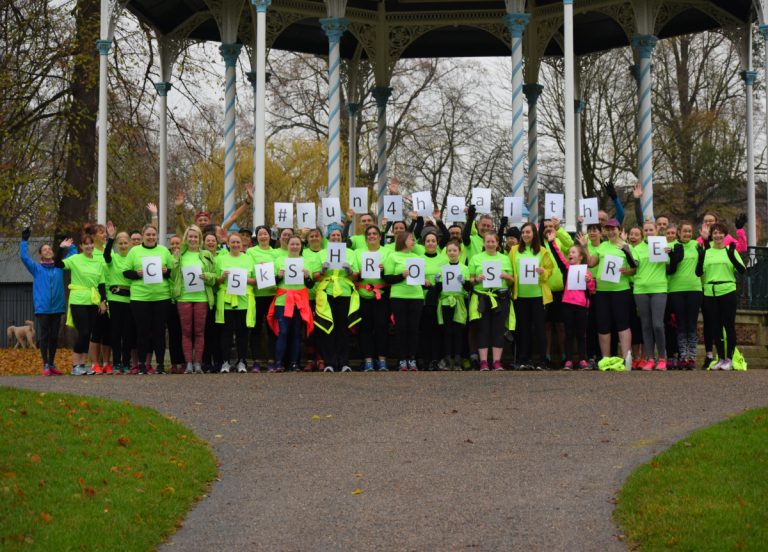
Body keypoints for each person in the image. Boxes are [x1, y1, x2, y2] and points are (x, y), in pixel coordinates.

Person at [19, 227, 75, 376]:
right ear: (40, 255)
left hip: (57, 308)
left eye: (50, 249)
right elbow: (24, 257)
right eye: (44, 250)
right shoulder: (36, 269)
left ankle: (52, 363)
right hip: (43, 308)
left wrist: (68, 242)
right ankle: (45, 365)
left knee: (54, 337)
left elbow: (74, 255)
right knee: (44, 336)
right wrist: (24, 241)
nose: (48, 251)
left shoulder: (60, 267)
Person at [123, 224, 174, 374]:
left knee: (159, 331)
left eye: (153, 235)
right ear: (143, 236)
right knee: (142, 331)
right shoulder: (134, 251)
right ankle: (142, 365)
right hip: (140, 297)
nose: (151, 237)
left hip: (161, 297)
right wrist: (137, 274)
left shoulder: (164, 251)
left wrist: (166, 271)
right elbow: (125, 272)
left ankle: (160, 365)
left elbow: (172, 272)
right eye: (148, 235)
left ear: (157, 236)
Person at [696, 222, 746, 370]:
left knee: (728, 325)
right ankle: (721, 358)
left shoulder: (730, 250)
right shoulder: (707, 252)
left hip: (727, 290)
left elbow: (742, 270)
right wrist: (700, 259)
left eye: (720, 233)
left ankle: (729, 359)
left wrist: (732, 257)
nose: (717, 235)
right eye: (715, 233)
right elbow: (698, 273)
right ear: (711, 235)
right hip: (710, 291)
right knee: (715, 326)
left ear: (725, 235)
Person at [545, 230, 595, 369]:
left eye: (573, 252)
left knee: (581, 334)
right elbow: (558, 256)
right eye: (570, 252)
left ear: (580, 257)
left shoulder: (586, 272)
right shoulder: (567, 268)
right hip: (567, 305)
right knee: (569, 333)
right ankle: (568, 360)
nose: (570, 254)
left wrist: (588, 281)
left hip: (581, 306)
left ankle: (582, 359)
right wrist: (551, 242)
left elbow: (591, 290)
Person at [588, 219, 637, 363]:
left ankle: (626, 358)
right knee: (603, 325)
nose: (610, 232)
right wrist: (585, 247)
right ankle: (606, 359)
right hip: (602, 291)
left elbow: (634, 268)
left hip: (621, 290)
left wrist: (626, 272)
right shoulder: (602, 246)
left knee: (623, 324)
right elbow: (591, 263)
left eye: (613, 229)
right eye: (607, 229)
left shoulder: (626, 247)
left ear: (620, 230)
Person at [57, 234, 107, 376]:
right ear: (81, 246)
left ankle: (82, 365)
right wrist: (61, 249)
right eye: (86, 244)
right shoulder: (75, 259)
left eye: (91, 244)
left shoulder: (98, 262)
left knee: (88, 334)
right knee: (83, 332)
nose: (89, 246)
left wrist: (103, 301)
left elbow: (101, 284)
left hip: (93, 300)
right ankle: (75, 365)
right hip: (78, 300)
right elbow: (58, 264)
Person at [313, 226, 359, 373]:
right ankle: (329, 362)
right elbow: (314, 277)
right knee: (328, 328)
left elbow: (356, 276)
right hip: (327, 292)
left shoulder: (351, 254)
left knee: (343, 328)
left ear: (342, 238)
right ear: (328, 238)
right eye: (333, 235)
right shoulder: (321, 254)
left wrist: (350, 271)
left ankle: (344, 362)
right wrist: (322, 271)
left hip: (345, 293)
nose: (336, 238)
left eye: (338, 235)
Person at [171, 225, 217, 374]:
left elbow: (214, 276)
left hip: (201, 297)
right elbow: (173, 276)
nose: (192, 239)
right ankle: (188, 363)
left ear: (200, 239)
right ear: (185, 238)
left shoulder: (206, 255)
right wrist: (176, 260)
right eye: (190, 236)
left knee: (199, 332)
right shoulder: (180, 255)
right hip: (184, 297)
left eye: (195, 237)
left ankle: (198, 363)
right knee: (186, 332)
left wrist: (207, 276)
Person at [268, 236, 315, 371]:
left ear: (301, 246)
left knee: (296, 333)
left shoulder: (306, 262)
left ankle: (294, 363)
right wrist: (279, 276)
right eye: (292, 244)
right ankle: (279, 363)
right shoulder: (278, 260)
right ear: (287, 245)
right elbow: (272, 282)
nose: (294, 246)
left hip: (299, 301)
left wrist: (307, 277)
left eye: (297, 244)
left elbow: (310, 285)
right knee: (283, 332)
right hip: (283, 300)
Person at [509, 223, 551, 370]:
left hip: (538, 295)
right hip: (520, 296)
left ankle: (542, 360)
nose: (525, 234)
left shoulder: (543, 251)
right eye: (523, 232)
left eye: (528, 232)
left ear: (534, 233)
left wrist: (543, 272)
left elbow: (549, 271)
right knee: (523, 328)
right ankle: (523, 359)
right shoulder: (514, 250)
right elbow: (509, 268)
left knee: (539, 329)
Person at [469, 232, 515, 370]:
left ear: (497, 243)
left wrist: (506, 276)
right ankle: (483, 362)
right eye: (487, 241)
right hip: (482, 298)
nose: (490, 244)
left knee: (498, 329)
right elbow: (470, 280)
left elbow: (512, 281)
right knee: (483, 329)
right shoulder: (476, 258)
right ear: (483, 243)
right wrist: (476, 279)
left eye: (492, 241)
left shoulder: (505, 259)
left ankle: (496, 361)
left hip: (500, 298)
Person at [631, 221, 671, 371]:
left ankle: (661, 358)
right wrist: (628, 254)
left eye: (651, 229)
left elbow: (669, 266)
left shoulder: (663, 245)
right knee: (646, 325)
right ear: (643, 233)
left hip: (659, 288)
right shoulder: (637, 248)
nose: (648, 232)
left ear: (656, 231)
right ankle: (649, 358)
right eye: (646, 230)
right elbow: (633, 264)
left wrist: (669, 253)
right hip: (641, 289)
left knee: (658, 325)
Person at [215, 233, 256, 373]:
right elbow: (215, 281)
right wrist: (222, 277)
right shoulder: (220, 259)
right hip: (226, 301)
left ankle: (242, 361)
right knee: (226, 333)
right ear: (228, 243)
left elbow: (256, 280)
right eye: (233, 242)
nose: (236, 245)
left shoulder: (249, 259)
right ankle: (225, 362)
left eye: (238, 242)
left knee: (242, 333)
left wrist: (244, 279)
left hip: (244, 301)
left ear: (242, 243)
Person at [383, 231, 424, 371]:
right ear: (402, 240)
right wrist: (402, 275)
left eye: (414, 239)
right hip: (398, 296)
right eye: (411, 239)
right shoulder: (392, 256)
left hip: (416, 296)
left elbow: (419, 278)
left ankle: (412, 358)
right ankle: (401, 359)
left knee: (413, 329)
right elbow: (387, 278)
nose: (414, 242)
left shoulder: (417, 257)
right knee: (401, 328)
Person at [667, 222, 703, 370]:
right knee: (681, 323)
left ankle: (692, 357)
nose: (687, 234)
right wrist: (673, 255)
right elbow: (669, 269)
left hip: (694, 288)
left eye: (690, 231)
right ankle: (683, 357)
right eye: (684, 231)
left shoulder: (696, 245)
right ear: (679, 232)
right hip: (676, 289)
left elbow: (701, 267)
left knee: (692, 323)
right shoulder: (672, 245)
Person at [355, 225, 391, 372]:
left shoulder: (388, 252)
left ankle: (382, 359)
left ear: (380, 236)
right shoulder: (358, 253)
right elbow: (354, 275)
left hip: (381, 296)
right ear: (365, 237)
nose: (372, 236)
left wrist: (383, 272)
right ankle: (368, 359)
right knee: (365, 329)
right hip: (363, 295)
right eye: (369, 234)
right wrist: (361, 273)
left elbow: (391, 275)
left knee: (382, 327)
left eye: (374, 233)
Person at [104, 221, 136, 375]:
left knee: (128, 333)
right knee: (116, 333)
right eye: (120, 243)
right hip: (115, 299)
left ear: (130, 244)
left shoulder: (133, 258)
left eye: (125, 243)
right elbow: (105, 255)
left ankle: (126, 362)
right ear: (117, 244)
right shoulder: (113, 257)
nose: (123, 246)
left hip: (130, 300)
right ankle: (116, 363)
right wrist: (110, 238)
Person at [247, 225, 279, 372]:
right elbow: (249, 270)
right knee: (256, 330)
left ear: (270, 236)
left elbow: (279, 271)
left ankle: (272, 360)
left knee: (272, 329)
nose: (263, 237)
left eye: (265, 234)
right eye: (260, 234)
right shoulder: (251, 252)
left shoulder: (276, 253)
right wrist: (257, 268)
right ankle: (256, 361)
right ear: (256, 237)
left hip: (272, 295)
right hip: (257, 295)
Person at [438, 239, 470, 370]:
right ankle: (447, 358)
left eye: (454, 250)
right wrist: (437, 282)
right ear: (446, 252)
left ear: (459, 252)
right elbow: (439, 288)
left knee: (458, 331)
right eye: (449, 250)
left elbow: (468, 288)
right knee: (447, 331)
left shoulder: (464, 268)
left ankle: (457, 358)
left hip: (459, 302)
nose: (452, 253)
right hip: (446, 302)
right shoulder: (443, 268)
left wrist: (464, 282)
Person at [420, 229, 447, 370]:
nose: (431, 243)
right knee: (425, 331)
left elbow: (446, 279)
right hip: (423, 299)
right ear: (424, 243)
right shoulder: (419, 258)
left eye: (433, 241)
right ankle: (425, 360)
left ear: (437, 243)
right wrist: (422, 281)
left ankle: (435, 359)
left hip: (439, 299)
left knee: (437, 331)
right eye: (428, 241)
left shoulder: (444, 260)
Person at [301, 228, 326, 371]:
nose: (315, 238)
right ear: (307, 239)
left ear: (322, 238)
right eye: (311, 236)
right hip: (307, 296)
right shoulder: (302, 253)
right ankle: (310, 360)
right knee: (308, 330)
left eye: (317, 235)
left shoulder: (328, 253)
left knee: (322, 328)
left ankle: (321, 358)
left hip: (323, 296)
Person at [201, 232, 223, 372]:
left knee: (218, 332)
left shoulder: (223, 256)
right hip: (205, 297)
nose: (210, 243)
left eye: (213, 240)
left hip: (220, 298)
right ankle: (206, 361)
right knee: (206, 332)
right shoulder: (200, 256)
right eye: (208, 240)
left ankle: (219, 362)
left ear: (217, 242)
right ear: (203, 242)